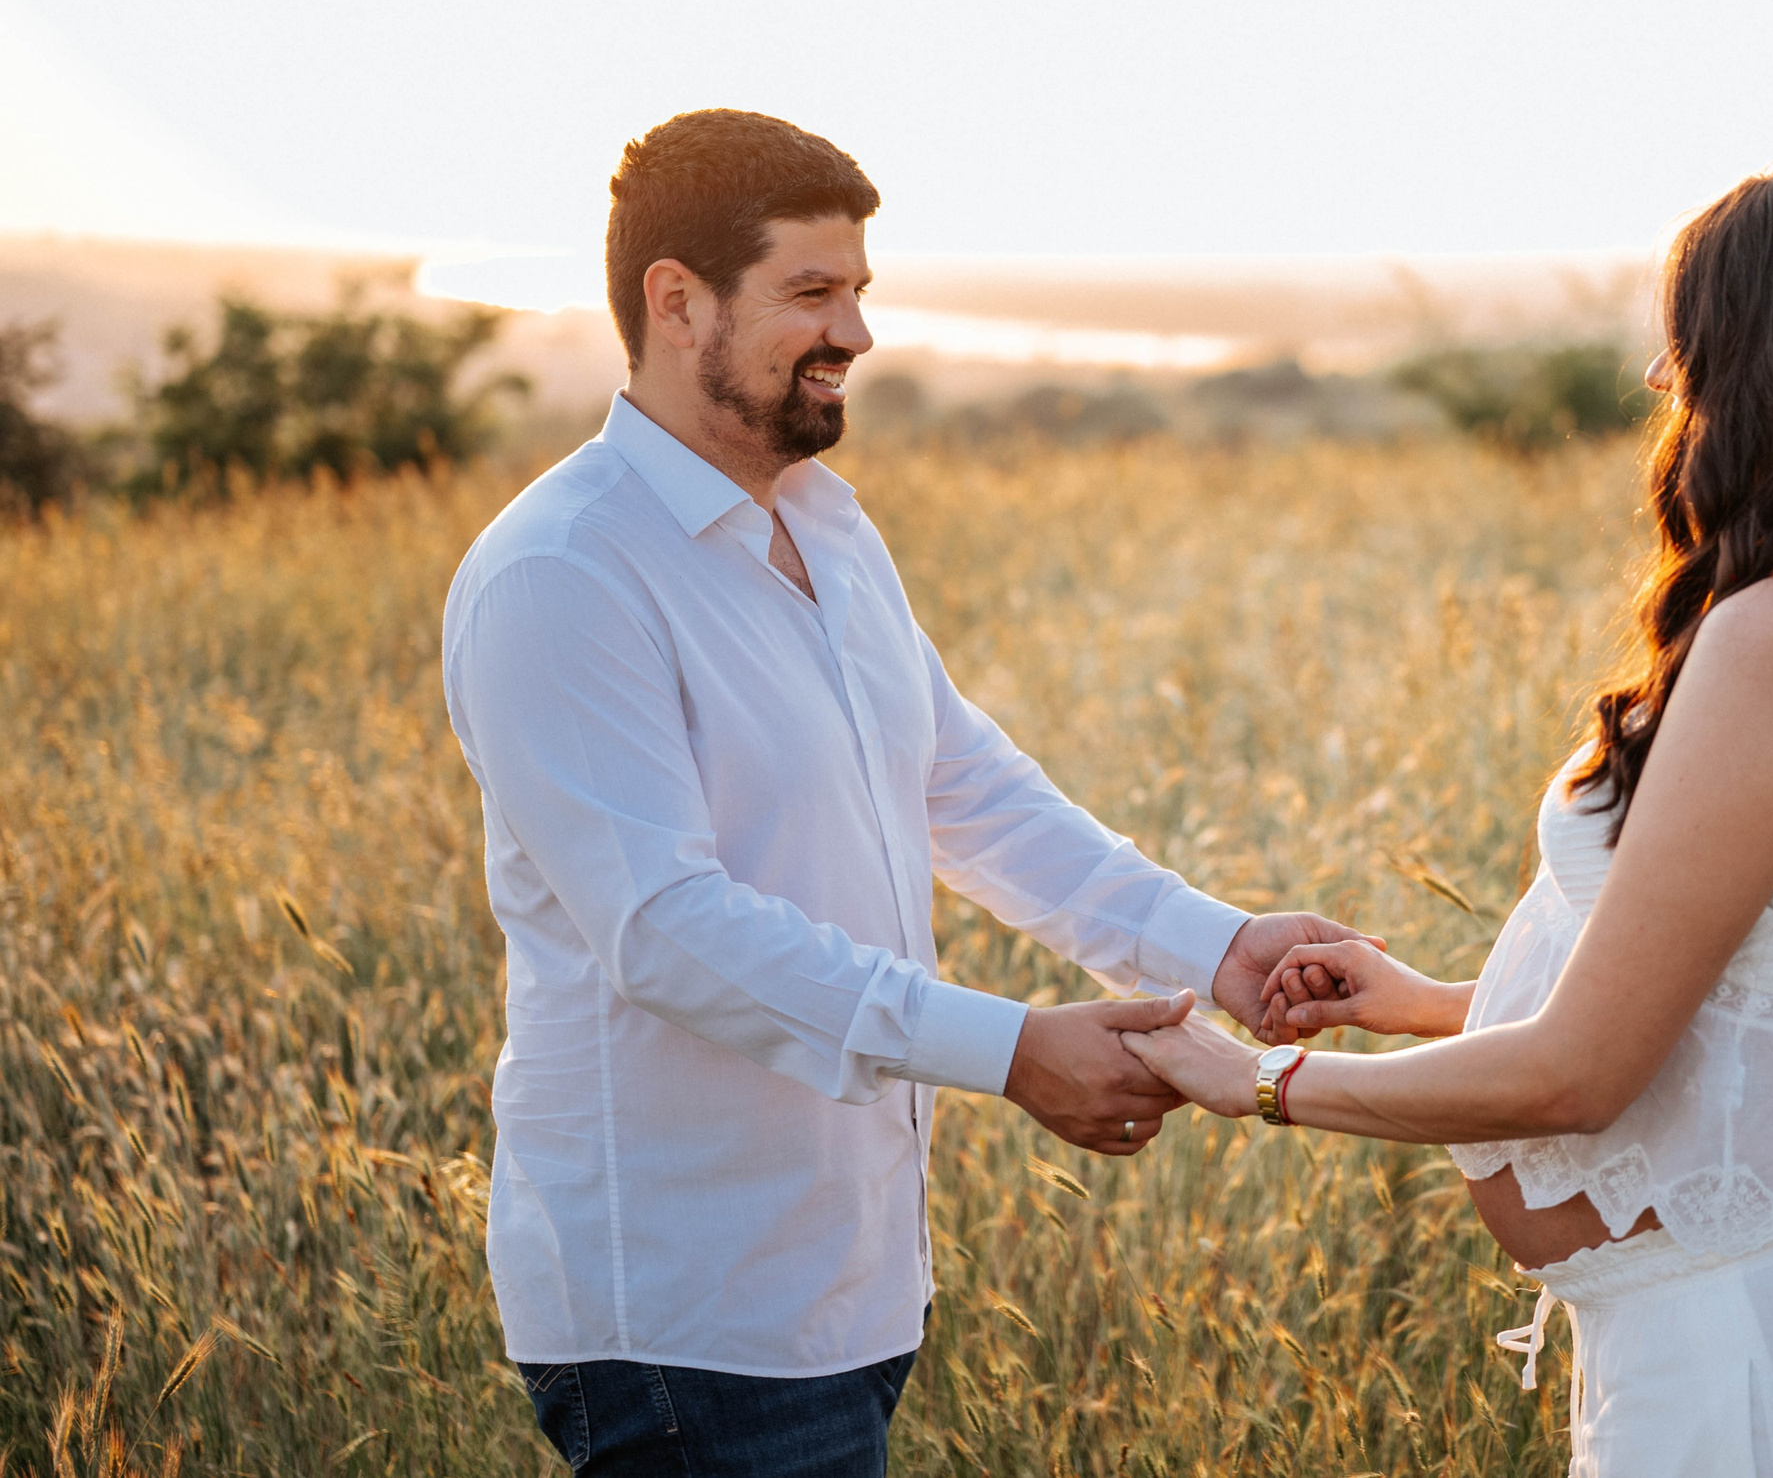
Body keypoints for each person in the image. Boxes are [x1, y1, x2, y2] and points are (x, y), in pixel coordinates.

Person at [440, 108, 1369, 1476]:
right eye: (812, 293)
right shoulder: (563, 574)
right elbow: (664, 929)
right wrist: (1011, 1047)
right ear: (676, 300)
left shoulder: (827, 523)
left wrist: (1215, 947)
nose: (856, 333)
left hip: (850, 1280)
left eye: (859, 291)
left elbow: (970, 792)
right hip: (686, 1314)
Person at [1124, 165, 1773, 1475]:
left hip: (1761, 1343)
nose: (1668, 380)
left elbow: (1583, 1070)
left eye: (1692, 342)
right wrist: (1427, 998)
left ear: (1766, 360)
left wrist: (1257, 1080)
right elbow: (1738, 995)